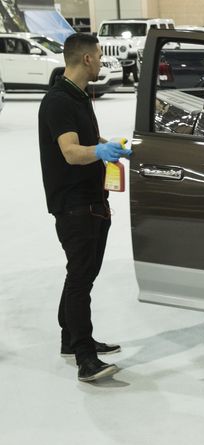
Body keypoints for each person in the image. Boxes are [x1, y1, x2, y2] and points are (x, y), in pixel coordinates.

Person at [38, 33, 131, 382]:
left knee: (82, 274)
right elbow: (71, 152)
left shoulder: (79, 96)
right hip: (74, 204)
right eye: (99, 56)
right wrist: (97, 153)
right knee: (80, 278)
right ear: (87, 60)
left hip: (92, 200)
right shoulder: (59, 101)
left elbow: (87, 141)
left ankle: (71, 337)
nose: (102, 62)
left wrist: (111, 146)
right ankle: (85, 357)